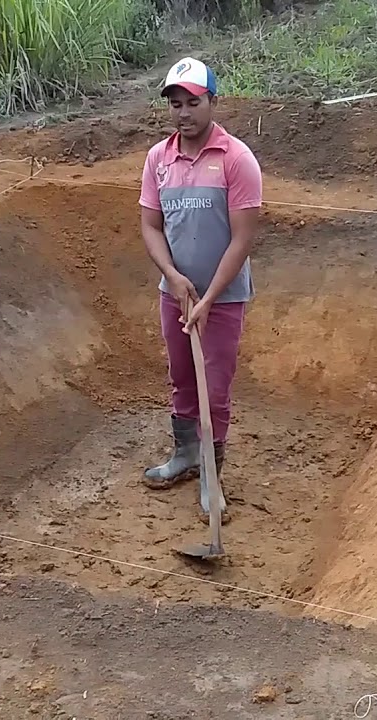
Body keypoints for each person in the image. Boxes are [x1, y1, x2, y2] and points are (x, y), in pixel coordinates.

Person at [138, 56, 263, 514]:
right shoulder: (158, 159)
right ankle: (185, 454)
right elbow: (150, 226)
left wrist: (209, 297)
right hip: (175, 295)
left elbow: (244, 236)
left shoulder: (236, 159)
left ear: (212, 101)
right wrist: (173, 278)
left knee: (215, 386)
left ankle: (212, 476)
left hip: (223, 297)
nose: (183, 112)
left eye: (192, 101)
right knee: (183, 378)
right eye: (175, 103)